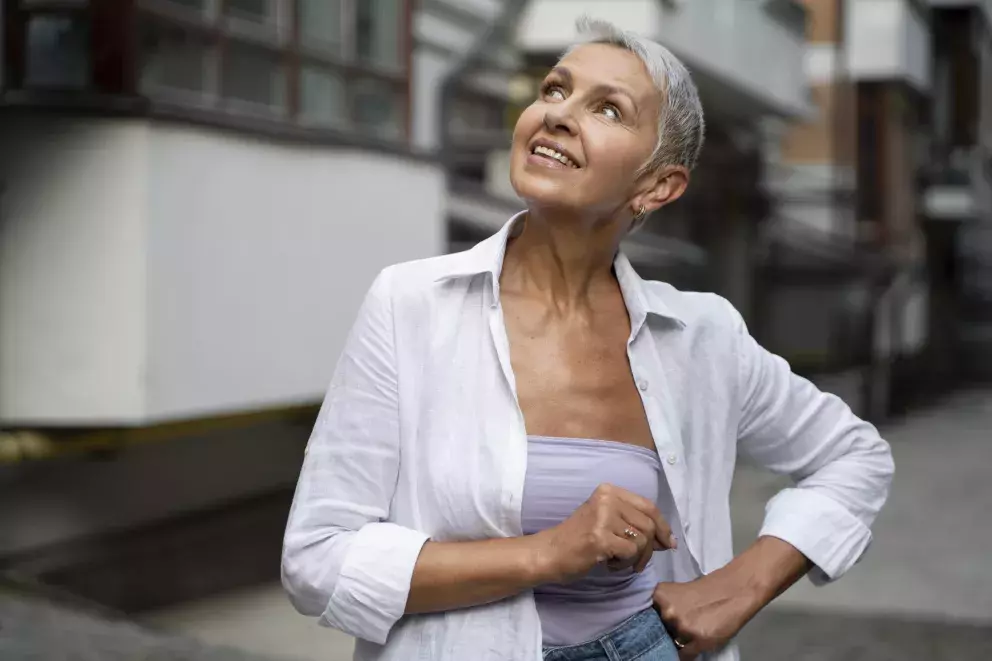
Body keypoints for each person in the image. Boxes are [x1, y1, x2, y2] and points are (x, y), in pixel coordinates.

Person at [281, 17, 894, 661]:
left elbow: (854, 456)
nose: (559, 115)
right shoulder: (411, 305)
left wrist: (741, 585)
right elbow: (317, 559)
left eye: (607, 109)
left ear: (658, 186)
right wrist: (551, 552)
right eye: (553, 90)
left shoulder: (703, 337)